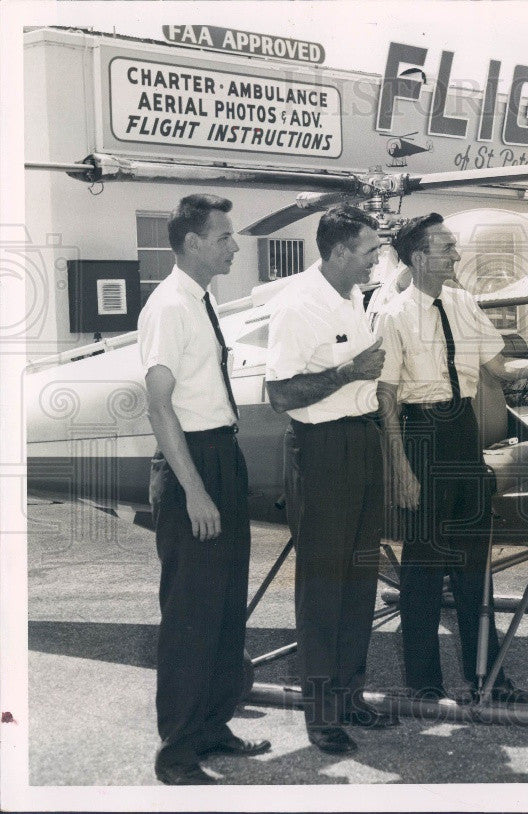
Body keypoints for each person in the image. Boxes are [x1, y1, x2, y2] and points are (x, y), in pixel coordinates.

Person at [376, 213, 528, 703]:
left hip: (463, 432)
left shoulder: (464, 303)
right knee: (422, 569)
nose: (456, 255)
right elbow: (385, 399)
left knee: (474, 566)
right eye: (446, 248)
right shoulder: (393, 314)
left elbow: (500, 367)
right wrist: (401, 469)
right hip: (420, 431)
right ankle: (424, 687)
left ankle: (488, 677)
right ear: (419, 257)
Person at [138, 194, 270, 785]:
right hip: (194, 462)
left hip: (222, 455)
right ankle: (177, 752)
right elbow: (160, 408)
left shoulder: (202, 301)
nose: (233, 246)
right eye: (223, 237)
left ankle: (213, 726)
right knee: (191, 614)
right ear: (192, 241)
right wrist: (193, 491)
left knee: (223, 609)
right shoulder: (168, 306)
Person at [265, 205, 397, 756]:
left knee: (360, 578)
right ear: (340, 252)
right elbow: (280, 395)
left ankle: (350, 697)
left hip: (361, 444)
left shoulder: (351, 296)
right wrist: (348, 372)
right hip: (322, 452)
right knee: (323, 588)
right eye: (369, 251)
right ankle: (321, 717)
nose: (376, 260)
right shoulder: (298, 306)